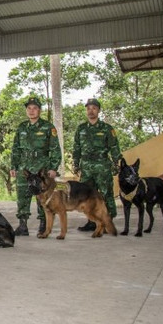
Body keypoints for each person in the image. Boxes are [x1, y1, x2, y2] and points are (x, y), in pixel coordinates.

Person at [10, 96, 62, 236]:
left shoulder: (48, 127)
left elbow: (55, 149)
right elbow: (16, 149)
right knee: (22, 195)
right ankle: (22, 226)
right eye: (29, 108)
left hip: (41, 167)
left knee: (42, 196)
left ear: (39, 110)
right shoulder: (22, 127)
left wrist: (53, 168)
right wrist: (13, 166)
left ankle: (43, 225)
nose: (31, 111)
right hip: (24, 167)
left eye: (35, 108)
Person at [72, 98, 122, 231]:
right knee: (87, 195)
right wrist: (76, 164)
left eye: (94, 108)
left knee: (106, 194)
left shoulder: (107, 128)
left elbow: (114, 147)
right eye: (88, 108)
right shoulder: (81, 129)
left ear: (98, 110)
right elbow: (76, 148)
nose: (91, 111)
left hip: (102, 165)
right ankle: (91, 221)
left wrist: (117, 163)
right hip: (86, 167)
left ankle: (107, 222)